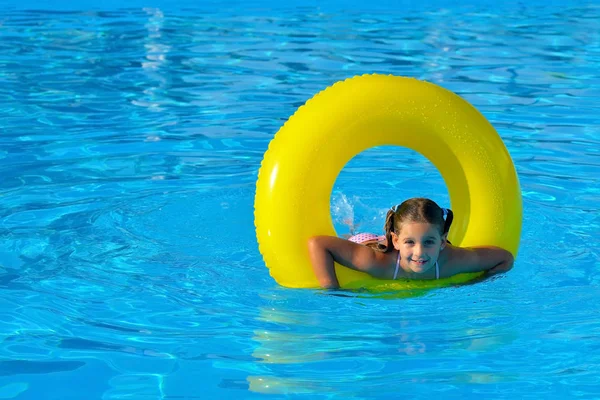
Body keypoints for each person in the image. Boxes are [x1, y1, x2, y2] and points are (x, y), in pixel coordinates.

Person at [308, 198, 514, 289]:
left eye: (429, 242)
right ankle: (352, 227)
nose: (420, 252)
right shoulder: (378, 263)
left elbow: (505, 259)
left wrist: (470, 284)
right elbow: (318, 244)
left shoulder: (452, 261)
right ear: (396, 241)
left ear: (443, 242)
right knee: (352, 234)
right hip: (369, 243)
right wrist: (332, 291)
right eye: (410, 242)